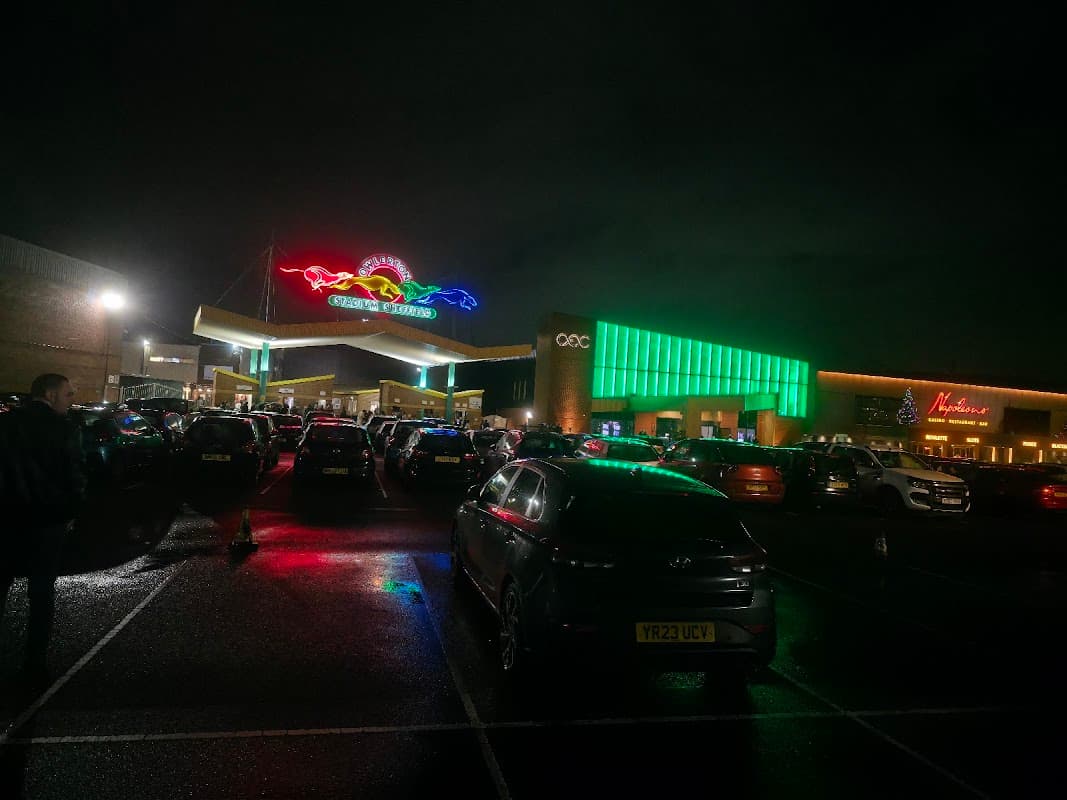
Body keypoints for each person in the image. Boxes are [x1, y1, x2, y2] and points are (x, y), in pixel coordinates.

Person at [0, 373, 85, 683]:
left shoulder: (7, 424)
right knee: (40, 594)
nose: (71, 401)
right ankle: (34, 664)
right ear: (50, 395)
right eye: (68, 395)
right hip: (47, 522)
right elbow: (74, 476)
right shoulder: (64, 429)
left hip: (6, 520)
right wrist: (72, 512)